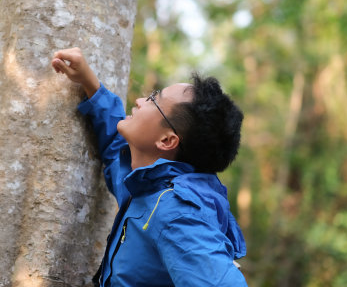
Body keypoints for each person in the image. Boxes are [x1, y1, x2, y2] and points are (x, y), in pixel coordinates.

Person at [51, 47, 248, 287]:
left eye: (154, 99)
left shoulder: (176, 211)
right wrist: (90, 83)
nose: (140, 100)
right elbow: (116, 147)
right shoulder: (147, 186)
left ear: (167, 141)